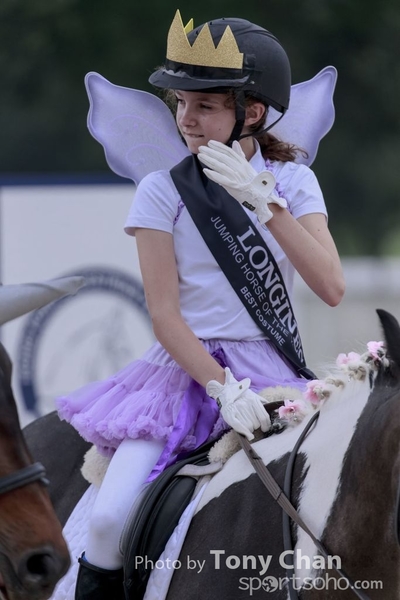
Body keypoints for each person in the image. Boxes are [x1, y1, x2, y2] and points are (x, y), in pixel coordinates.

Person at [57, 10, 345, 600]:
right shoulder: (162, 189)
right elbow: (164, 314)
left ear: (252, 112)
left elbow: (331, 287)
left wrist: (266, 204)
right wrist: (221, 388)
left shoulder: (293, 183)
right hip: (183, 377)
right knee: (109, 520)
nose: (186, 119)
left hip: (274, 374)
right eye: (180, 103)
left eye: (204, 105)